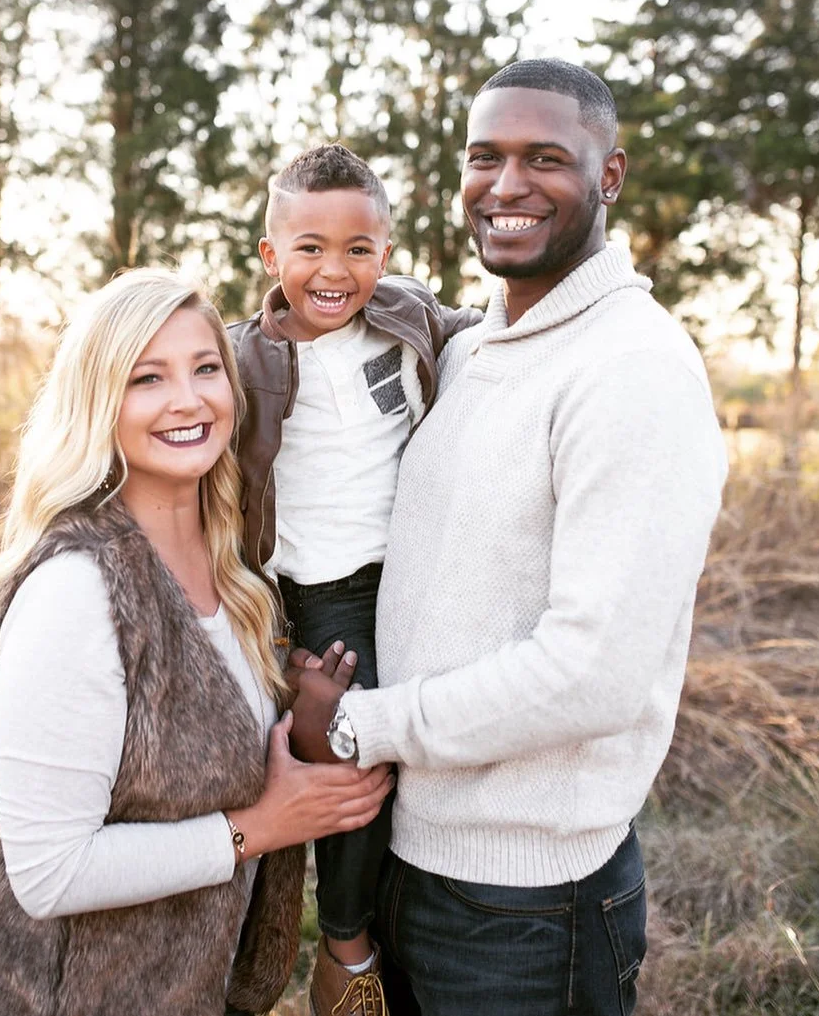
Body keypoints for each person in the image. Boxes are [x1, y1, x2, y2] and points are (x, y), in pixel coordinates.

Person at [287, 61, 729, 1015]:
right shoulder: (463, 348)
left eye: (546, 158)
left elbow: (595, 669)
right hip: (411, 855)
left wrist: (362, 725)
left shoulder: (633, 369)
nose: (507, 185)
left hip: (530, 904)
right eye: (484, 156)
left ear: (609, 175)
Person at [0, 268, 393, 1016]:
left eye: (206, 368)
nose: (187, 399)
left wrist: (297, 717)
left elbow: (194, 747)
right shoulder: (78, 586)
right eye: (148, 378)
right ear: (100, 403)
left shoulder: (238, 573)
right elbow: (50, 872)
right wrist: (263, 826)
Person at [228, 144, 480, 1016]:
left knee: (394, 755)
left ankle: (383, 934)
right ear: (270, 256)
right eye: (309, 248)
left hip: (407, 573)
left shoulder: (413, 319)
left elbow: (494, 334)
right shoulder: (241, 359)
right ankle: (342, 949)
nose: (334, 270)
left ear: (388, 250)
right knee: (345, 754)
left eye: (359, 249)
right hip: (310, 593)